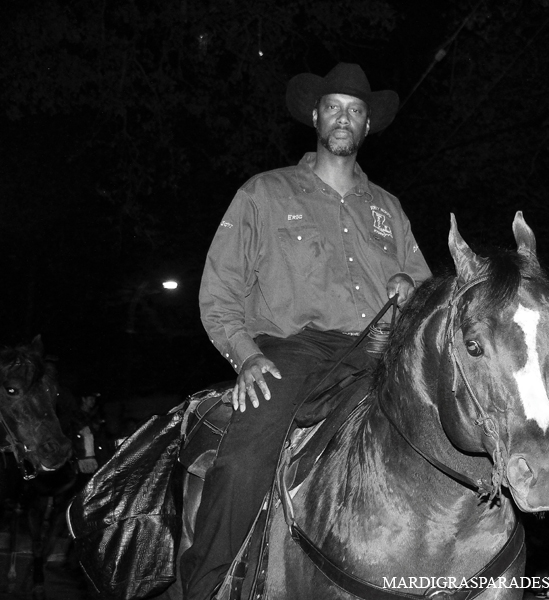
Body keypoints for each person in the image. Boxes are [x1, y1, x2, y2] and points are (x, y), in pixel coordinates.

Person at [183, 62, 432, 599]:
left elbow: (427, 292)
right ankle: (203, 586)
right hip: (290, 351)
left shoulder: (389, 209)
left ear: (367, 126)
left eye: (356, 111)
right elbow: (221, 289)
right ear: (316, 117)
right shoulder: (264, 193)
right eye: (334, 107)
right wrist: (245, 355)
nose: (344, 118)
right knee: (245, 458)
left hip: (378, 354)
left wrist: (412, 291)